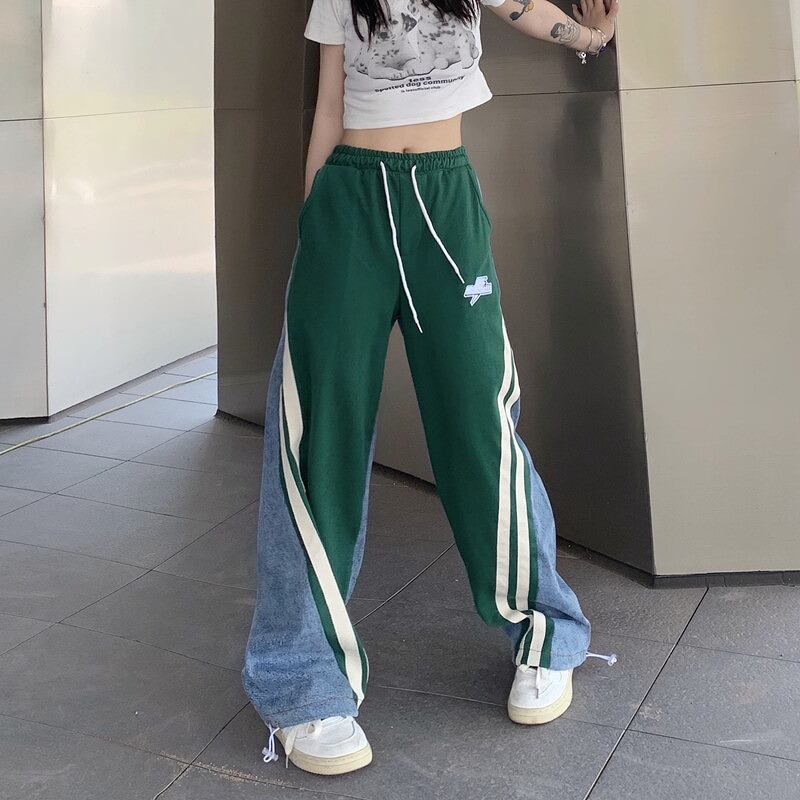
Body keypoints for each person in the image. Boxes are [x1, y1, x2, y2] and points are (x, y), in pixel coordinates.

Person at [243, 0, 620, 776]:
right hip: (347, 200)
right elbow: (329, 102)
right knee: (319, 434)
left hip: (443, 199)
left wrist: (593, 37)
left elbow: (528, 11)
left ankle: (545, 633)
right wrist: (314, 230)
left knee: (480, 419)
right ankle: (302, 684)